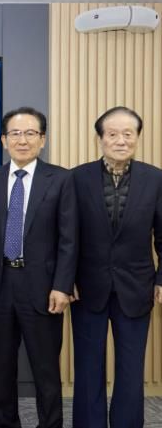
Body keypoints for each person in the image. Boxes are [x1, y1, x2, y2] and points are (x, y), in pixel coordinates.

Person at [0, 107, 77, 428]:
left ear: (42, 139)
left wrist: (62, 285)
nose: (23, 140)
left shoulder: (61, 179)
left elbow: (69, 238)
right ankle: (3, 423)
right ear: (4, 140)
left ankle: (50, 423)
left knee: (45, 369)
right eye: (15, 134)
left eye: (30, 133)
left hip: (43, 288)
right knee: (1, 367)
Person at [71, 106, 162, 428]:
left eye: (128, 134)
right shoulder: (77, 178)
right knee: (88, 367)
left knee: (131, 369)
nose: (121, 140)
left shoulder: (155, 179)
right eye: (112, 134)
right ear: (100, 138)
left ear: (137, 137)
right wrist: (66, 280)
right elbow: (68, 235)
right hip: (87, 287)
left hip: (136, 287)